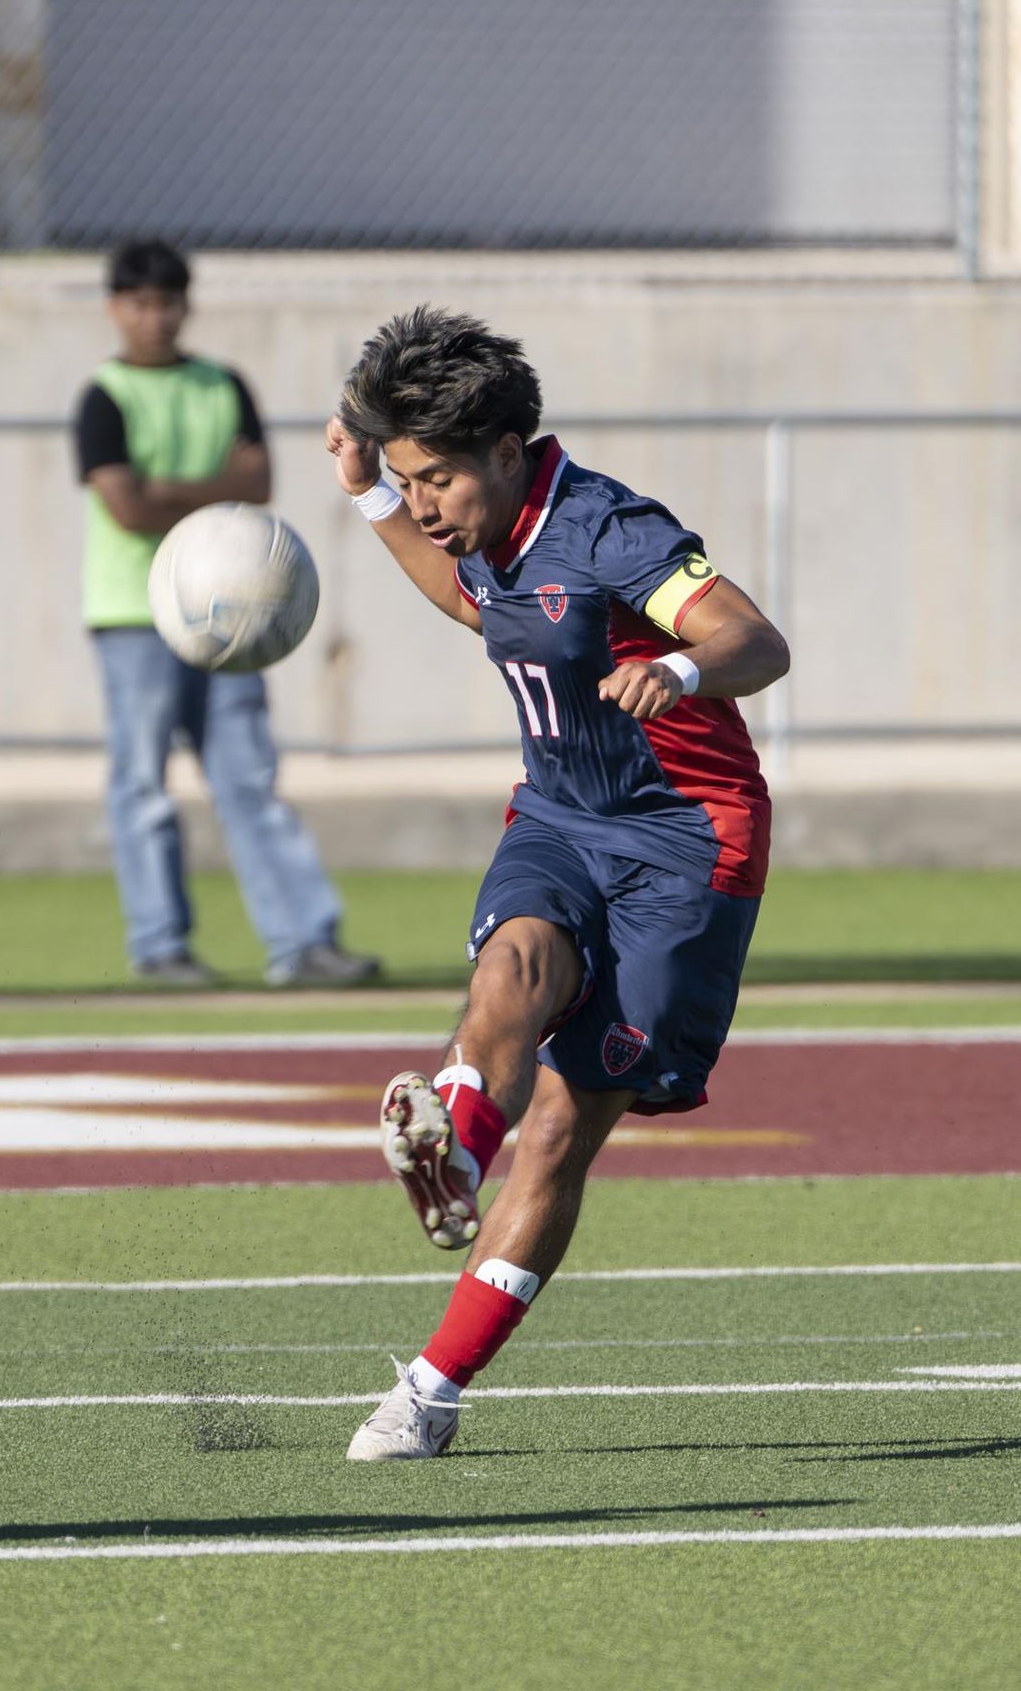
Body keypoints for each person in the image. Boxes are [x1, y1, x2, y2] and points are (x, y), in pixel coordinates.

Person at [326, 306, 789, 1460]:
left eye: (433, 478)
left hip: (686, 846)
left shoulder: (613, 529)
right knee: (510, 970)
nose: (425, 503)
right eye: (407, 480)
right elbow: (470, 599)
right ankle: (448, 1151)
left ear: (503, 450)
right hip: (559, 819)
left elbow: (758, 643)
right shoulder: (493, 530)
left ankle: (433, 1389)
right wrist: (370, 498)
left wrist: (679, 668)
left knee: (564, 1130)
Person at [74, 238, 378, 988]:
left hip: (236, 618)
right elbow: (126, 505)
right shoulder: (104, 395)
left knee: (249, 777)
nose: (155, 317)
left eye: (168, 301)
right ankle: (160, 945)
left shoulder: (223, 384)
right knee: (143, 784)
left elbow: (261, 481)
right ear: (115, 308)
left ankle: (304, 943)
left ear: (186, 305)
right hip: (134, 614)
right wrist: (216, 486)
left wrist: (169, 488)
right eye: (140, 303)